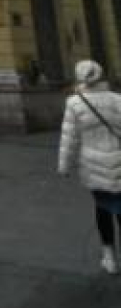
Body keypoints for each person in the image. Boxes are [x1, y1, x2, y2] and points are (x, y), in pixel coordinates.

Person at [57, 59, 121, 275]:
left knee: (102, 208)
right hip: (119, 162)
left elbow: (69, 137)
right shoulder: (116, 99)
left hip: (93, 165)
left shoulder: (74, 103)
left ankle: (109, 258)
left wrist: (64, 165)